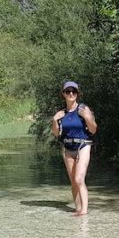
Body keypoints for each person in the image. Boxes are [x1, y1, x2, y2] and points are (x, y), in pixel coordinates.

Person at [51, 81, 97, 216]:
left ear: (77, 94)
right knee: (73, 181)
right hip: (67, 148)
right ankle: (78, 209)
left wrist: (87, 117)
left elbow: (93, 130)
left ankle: (84, 210)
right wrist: (54, 121)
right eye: (68, 91)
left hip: (83, 145)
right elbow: (55, 133)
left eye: (74, 91)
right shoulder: (61, 114)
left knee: (79, 179)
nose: (71, 94)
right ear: (63, 94)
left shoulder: (83, 109)